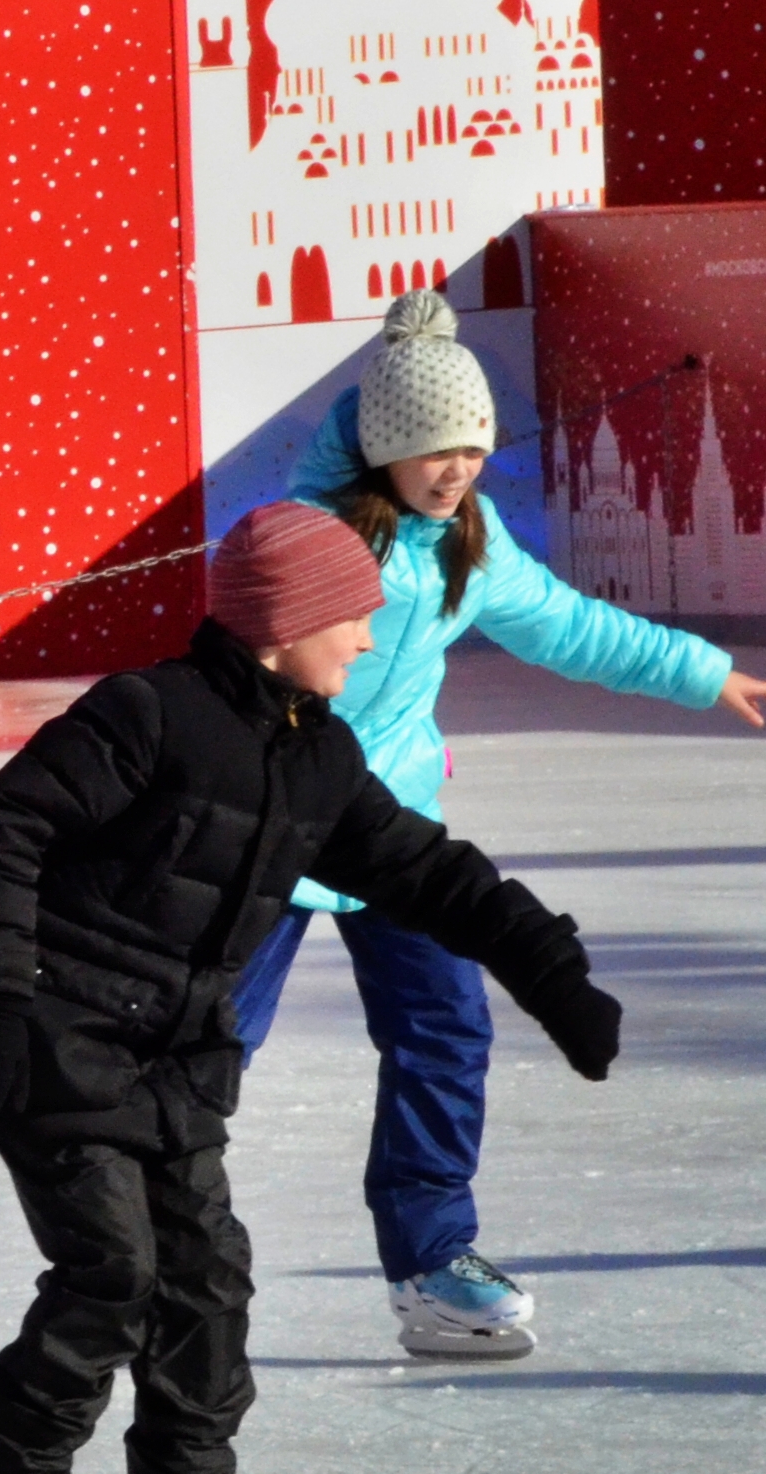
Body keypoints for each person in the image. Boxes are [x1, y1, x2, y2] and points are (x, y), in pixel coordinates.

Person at [0, 500, 618, 1474]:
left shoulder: (319, 758)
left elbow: (428, 873)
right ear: (281, 623)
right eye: (351, 614)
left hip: (179, 1059)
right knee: (114, 1272)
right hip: (62, 1039)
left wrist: (545, 964)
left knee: (206, 1278)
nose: (367, 635)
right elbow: (1, 835)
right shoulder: (144, 715)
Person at [246, 290, 762, 1360]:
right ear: (384, 445)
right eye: (434, 449)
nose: (456, 469)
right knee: (207, 1041)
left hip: (393, 831)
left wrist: (705, 671)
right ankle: (146, 1246)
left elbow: (572, 628)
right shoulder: (312, 541)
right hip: (271, 828)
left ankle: (433, 1262)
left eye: (471, 448)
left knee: (444, 1027)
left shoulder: (466, 549)